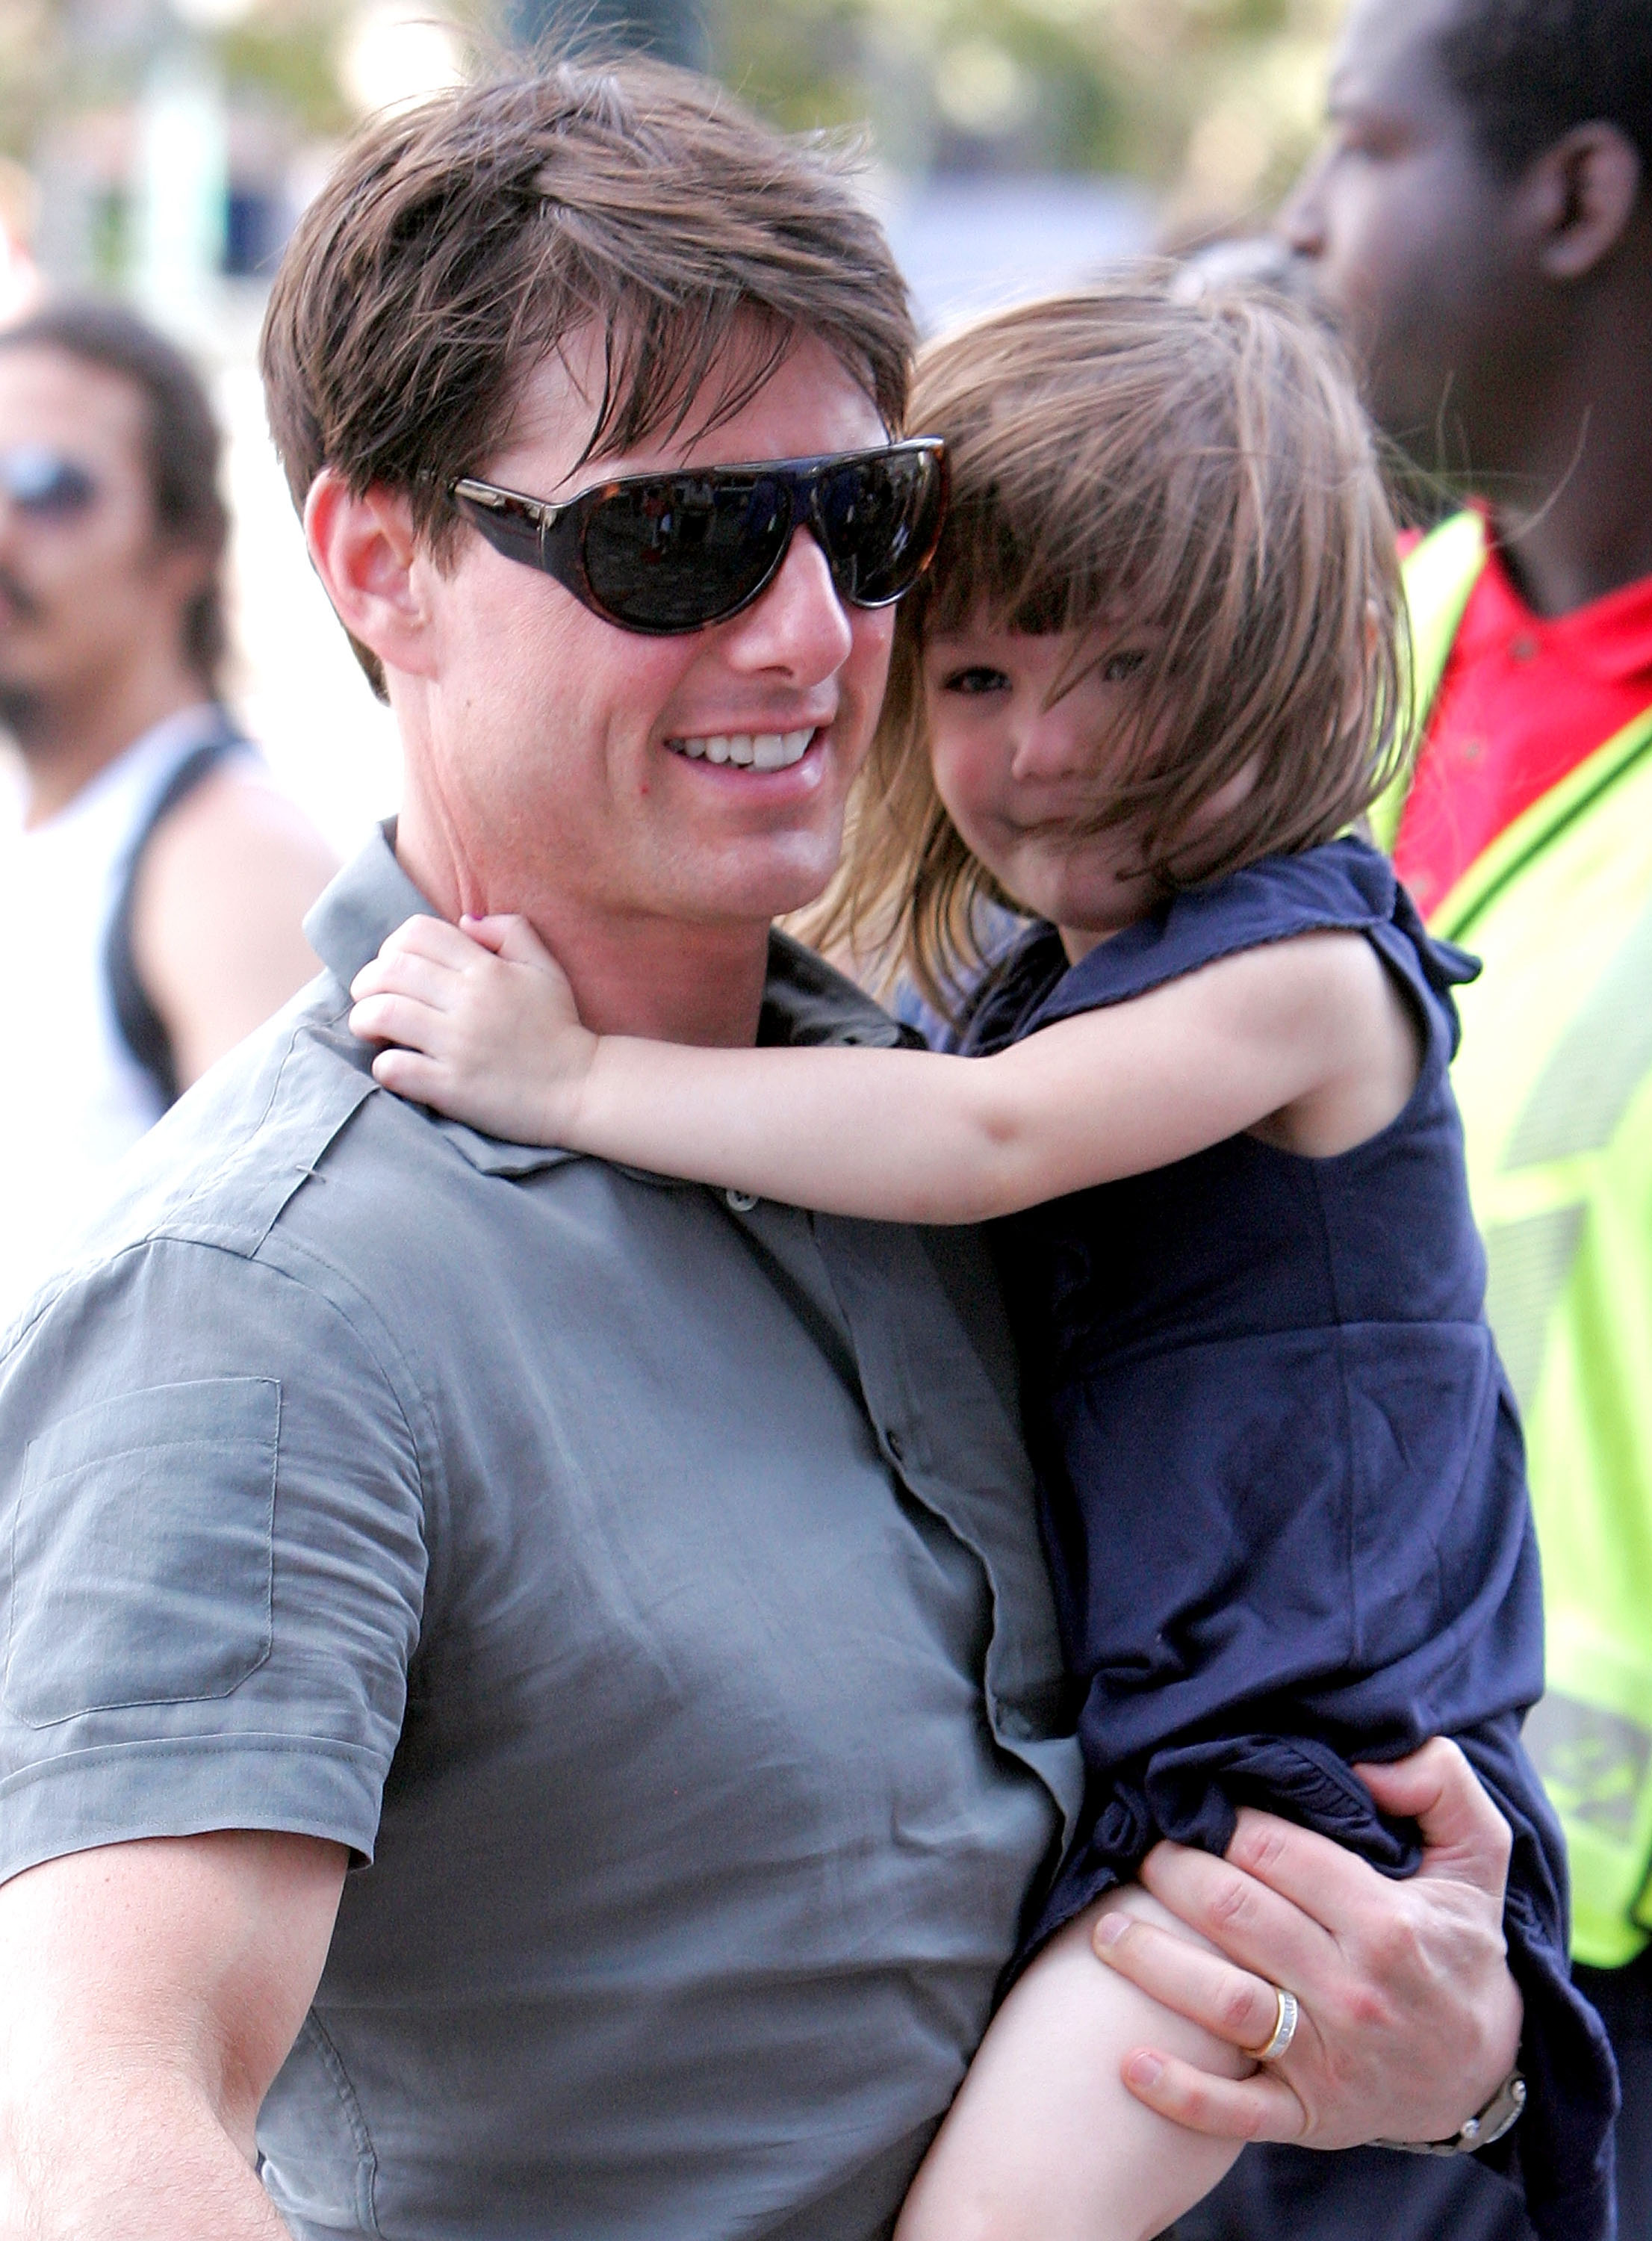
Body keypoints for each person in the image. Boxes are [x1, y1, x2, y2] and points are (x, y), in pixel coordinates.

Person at [0, 63, 1531, 2241]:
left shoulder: (975, 1113)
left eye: (867, 523)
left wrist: (1442, 2056)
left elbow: (1311, 1940)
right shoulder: (260, 1295)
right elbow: (91, 2129)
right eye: (677, 538)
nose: (809, 634)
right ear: (376, 563)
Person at [350, 277, 1615, 2241]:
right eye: (974, 681)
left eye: (1125, 673)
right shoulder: (1035, 984)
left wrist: (571, 1076)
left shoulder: (1297, 974)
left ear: (1300, 660)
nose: (1043, 752)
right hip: (1160, 1765)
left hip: (1294, 1794)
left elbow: (975, 1146)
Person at [1183, 4, 1652, 2237]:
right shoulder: (1335, 660)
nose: (1299, 219)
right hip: (1323, 1929)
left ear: (1572, 198)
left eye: (1359, 146)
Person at [0, 300, 336, 1317]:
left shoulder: (226, 860)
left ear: (185, 547)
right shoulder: (63, 824)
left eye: (49, 488)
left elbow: (295, 1308)